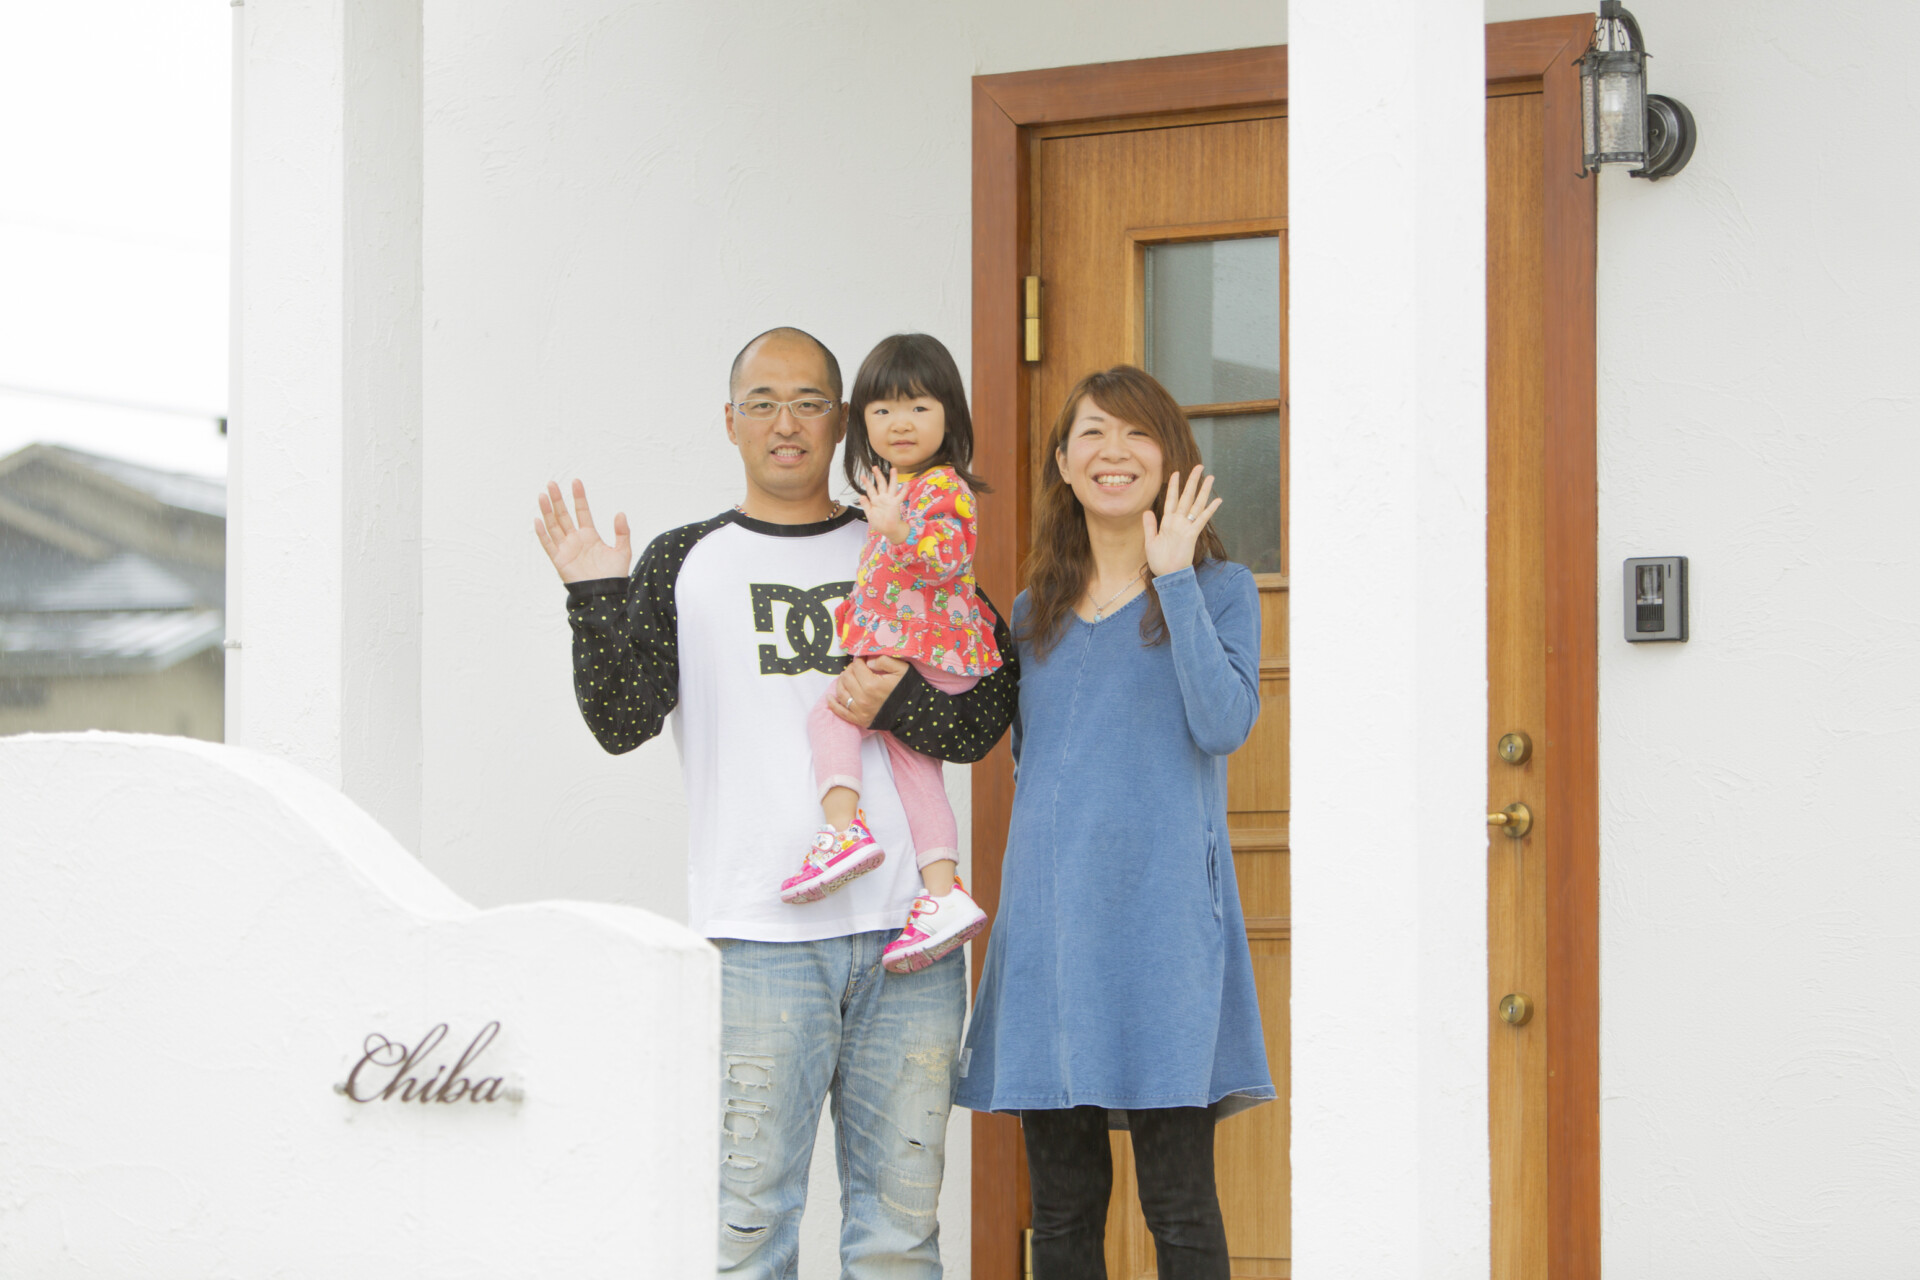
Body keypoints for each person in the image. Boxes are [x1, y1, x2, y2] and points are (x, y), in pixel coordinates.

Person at [533, 326, 1017, 1278]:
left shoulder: (904, 536)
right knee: (748, 1229)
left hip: (909, 940)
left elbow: (980, 713)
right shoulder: (687, 559)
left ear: (842, 421)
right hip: (760, 937)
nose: (785, 423)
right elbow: (622, 722)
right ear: (730, 422)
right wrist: (595, 596)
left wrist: (891, 700)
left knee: (900, 1237)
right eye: (762, 403)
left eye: (807, 403)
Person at [954, 366, 1273, 1280]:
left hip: (1166, 934)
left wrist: (1172, 578)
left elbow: (1224, 724)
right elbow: (1033, 763)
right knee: (1061, 1209)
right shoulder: (1033, 614)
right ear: (1063, 462)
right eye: (1092, 433)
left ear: (1170, 458)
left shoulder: (1219, 589)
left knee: (1179, 1201)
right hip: (1053, 933)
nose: (1113, 451)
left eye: (1136, 432)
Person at [781, 333, 995, 975]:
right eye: (883, 410)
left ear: (950, 416)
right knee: (916, 773)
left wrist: (897, 529)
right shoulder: (897, 487)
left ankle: (843, 830)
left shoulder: (942, 488)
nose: (900, 422)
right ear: (862, 423)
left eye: (919, 407)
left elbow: (949, 557)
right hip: (926, 655)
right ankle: (943, 896)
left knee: (829, 716)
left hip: (926, 654)